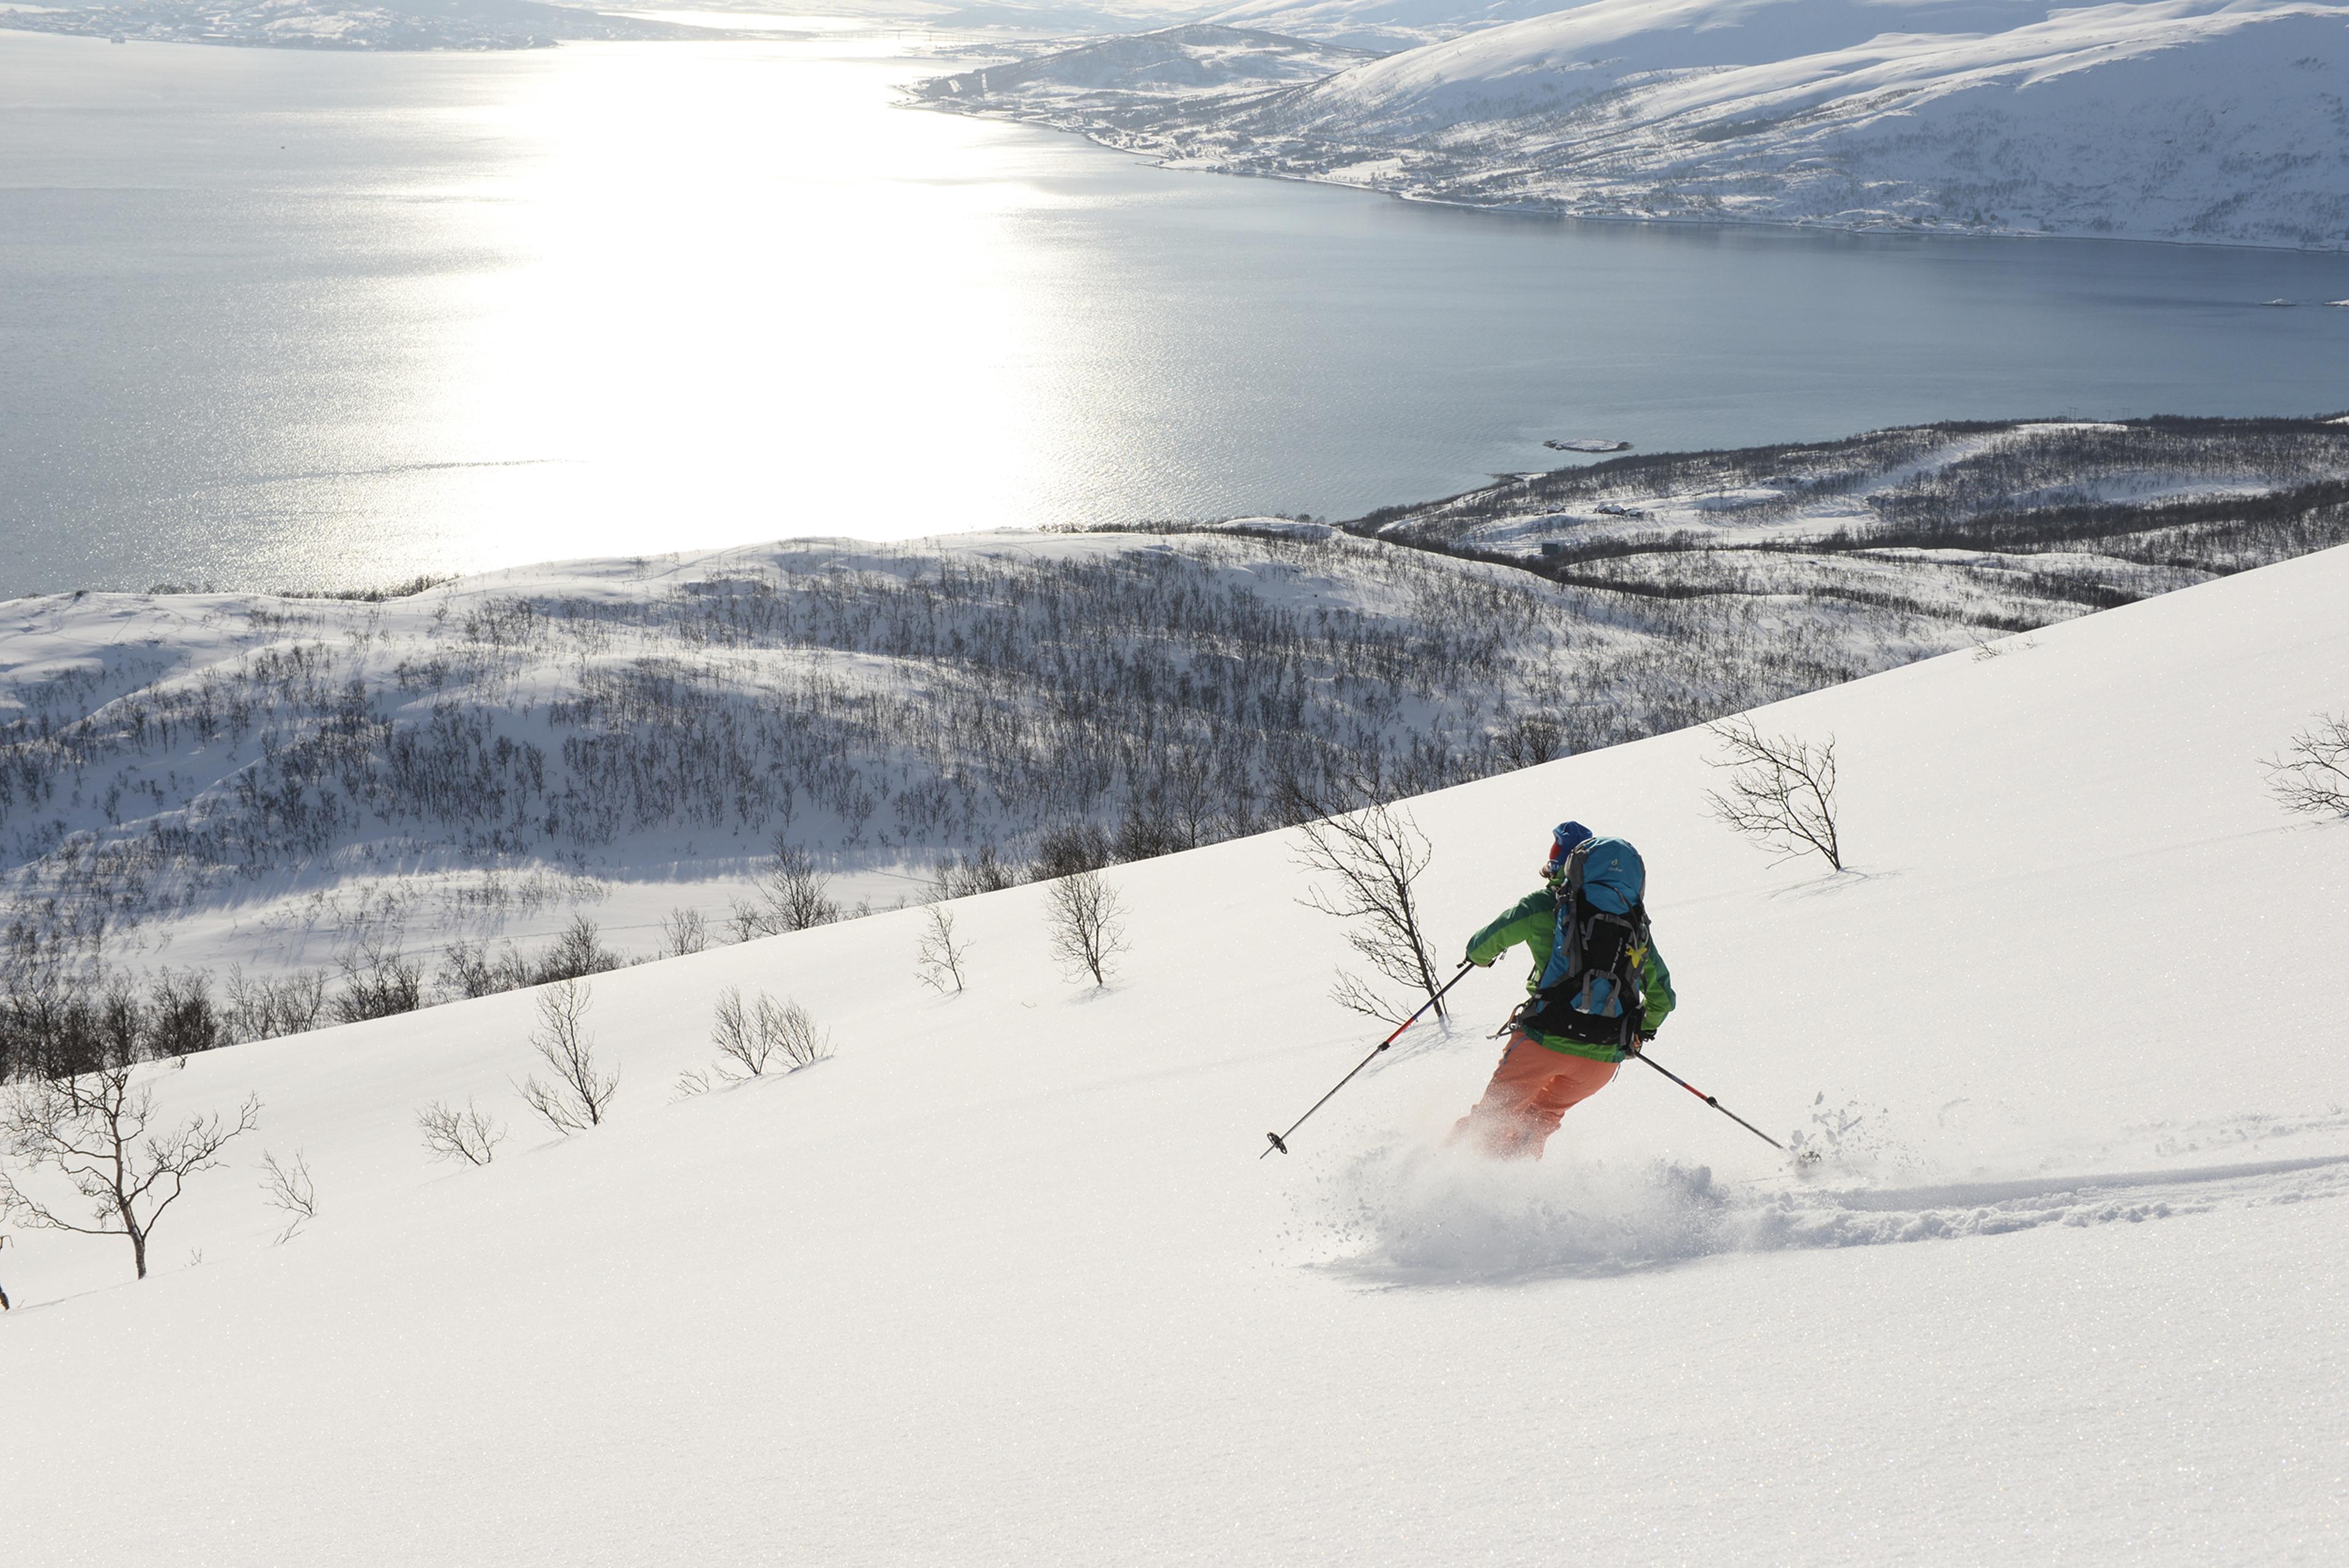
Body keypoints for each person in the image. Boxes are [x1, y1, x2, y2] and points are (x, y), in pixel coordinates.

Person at [1451, 821, 1675, 1159]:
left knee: (1490, 1123)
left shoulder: (1544, 905)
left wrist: (1477, 957)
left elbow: (1483, 944)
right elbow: (1663, 998)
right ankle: (1516, 1192)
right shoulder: (1633, 924)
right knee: (1538, 1122)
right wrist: (1642, 1028)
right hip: (1601, 1061)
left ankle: (1434, 1176)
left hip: (1544, 1040)